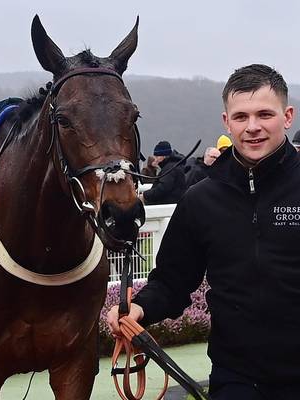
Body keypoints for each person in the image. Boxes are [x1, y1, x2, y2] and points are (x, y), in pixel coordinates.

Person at [106, 64, 300, 399]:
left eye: (264, 114)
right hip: (236, 378)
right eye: (241, 117)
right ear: (227, 122)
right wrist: (139, 308)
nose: (252, 127)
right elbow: (172, 281)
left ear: (287, 116)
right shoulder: (200, 200)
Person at [139, 140, 186, 205]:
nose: (155, 159)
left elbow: (162, 189)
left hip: (167, 207)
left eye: (157, 156)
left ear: (164, 156)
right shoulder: (173, 165)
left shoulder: (170, 168)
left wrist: (145, 195)